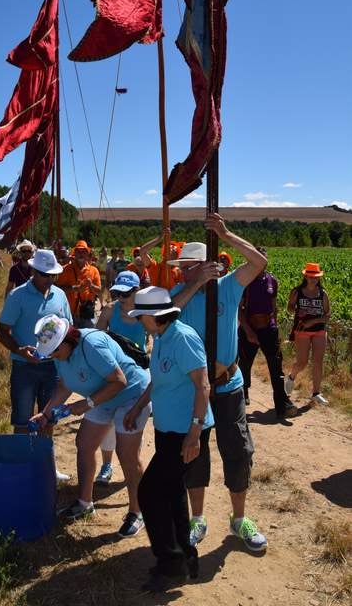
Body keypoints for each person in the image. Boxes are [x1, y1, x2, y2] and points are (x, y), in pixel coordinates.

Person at [169, 214, 268, 553]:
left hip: (228, 385)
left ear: (204, 264)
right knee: (194, 452)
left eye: (187, 266)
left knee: (238, 450)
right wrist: (194, 284)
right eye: (181, 267)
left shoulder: (228, 288)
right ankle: (198, 518)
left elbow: (259, 262)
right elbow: (165, 316)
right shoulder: (179, 293)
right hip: (194, 389)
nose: (181, 271)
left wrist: (225, 235)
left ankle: (239, 519)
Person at [123, 287, 213, 590]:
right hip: (168, 430)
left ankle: (170, 563)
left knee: (149, 493)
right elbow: (157, 381)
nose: (138, 320)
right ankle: (186, 559)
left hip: (184, 433)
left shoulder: (182, 338)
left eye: (141, 315)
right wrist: (137, 407)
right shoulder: (161, 338)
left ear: (154, 315)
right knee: (172, 493)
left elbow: (203, 386)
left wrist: (195, 433)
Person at [29, 314, 151, 538]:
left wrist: (87, 403)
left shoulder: (91, 345)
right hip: (101, 396)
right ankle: (85, 503)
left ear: (67, 340)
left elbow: (119, 380)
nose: (53, 356)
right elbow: (65, 385)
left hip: (132, 395)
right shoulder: (59, 353)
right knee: (84, 443)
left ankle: (137, 511)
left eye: (55, 351)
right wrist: (45, 414)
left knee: (126, 454)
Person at [0, 248, 72, 481]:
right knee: (22, 418)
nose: (50, 279)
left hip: (52, 367)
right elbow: (1, 332)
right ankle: (21, 468)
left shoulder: (59, 295)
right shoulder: (18, 296)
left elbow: (68, 326)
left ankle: (46, 467)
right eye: (45, 275)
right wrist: (19, 349)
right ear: (33, 271)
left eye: (53, 275)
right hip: (24, 368)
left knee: (48, 418)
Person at [94, 270, 148, 485]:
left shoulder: (146, 312)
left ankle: (133, 463)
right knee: (106, 423)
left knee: (132, 423)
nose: (122, 297)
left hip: (138, 374)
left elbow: (157, 338)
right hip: (113, 374)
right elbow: (97, 339)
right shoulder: (109, 311)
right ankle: (107, 465)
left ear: (138, 291)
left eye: (127, 293)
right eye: (118, 292)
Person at [238, 248, 297, 418]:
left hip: (268, 329)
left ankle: (282, 405)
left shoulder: (272, 281)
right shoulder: (245, 281)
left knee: (276, 367)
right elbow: (239, 310)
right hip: (249, 328)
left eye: (263, 258)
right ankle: (242, 398)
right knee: (244, 365)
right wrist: (248, 331)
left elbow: (274, 306)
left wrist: (275, 327)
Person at [284, 262, 331, 405]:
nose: (313, 279)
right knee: (302, 362)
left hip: (319, 330)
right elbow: (290, 309)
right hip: (302, 331)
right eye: (310, 277)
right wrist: (296, 309)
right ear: (305, 276)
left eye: (316, 277)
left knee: (318, 361)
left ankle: (316, 393)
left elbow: (327, 314)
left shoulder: (322, 294)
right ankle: (292, 377)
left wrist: (313, 321)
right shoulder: (297, 292)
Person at [56, 240, 102, 327]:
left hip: (87, 314)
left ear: (87, 254)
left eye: (84, 251)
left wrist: (91, 285)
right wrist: (75, 288)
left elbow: (99, 291)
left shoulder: (93, 270)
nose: (81, 254)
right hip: (69, 314)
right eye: (78, 251)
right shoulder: (66, 269)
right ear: (74, 253)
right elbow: (58, 289)